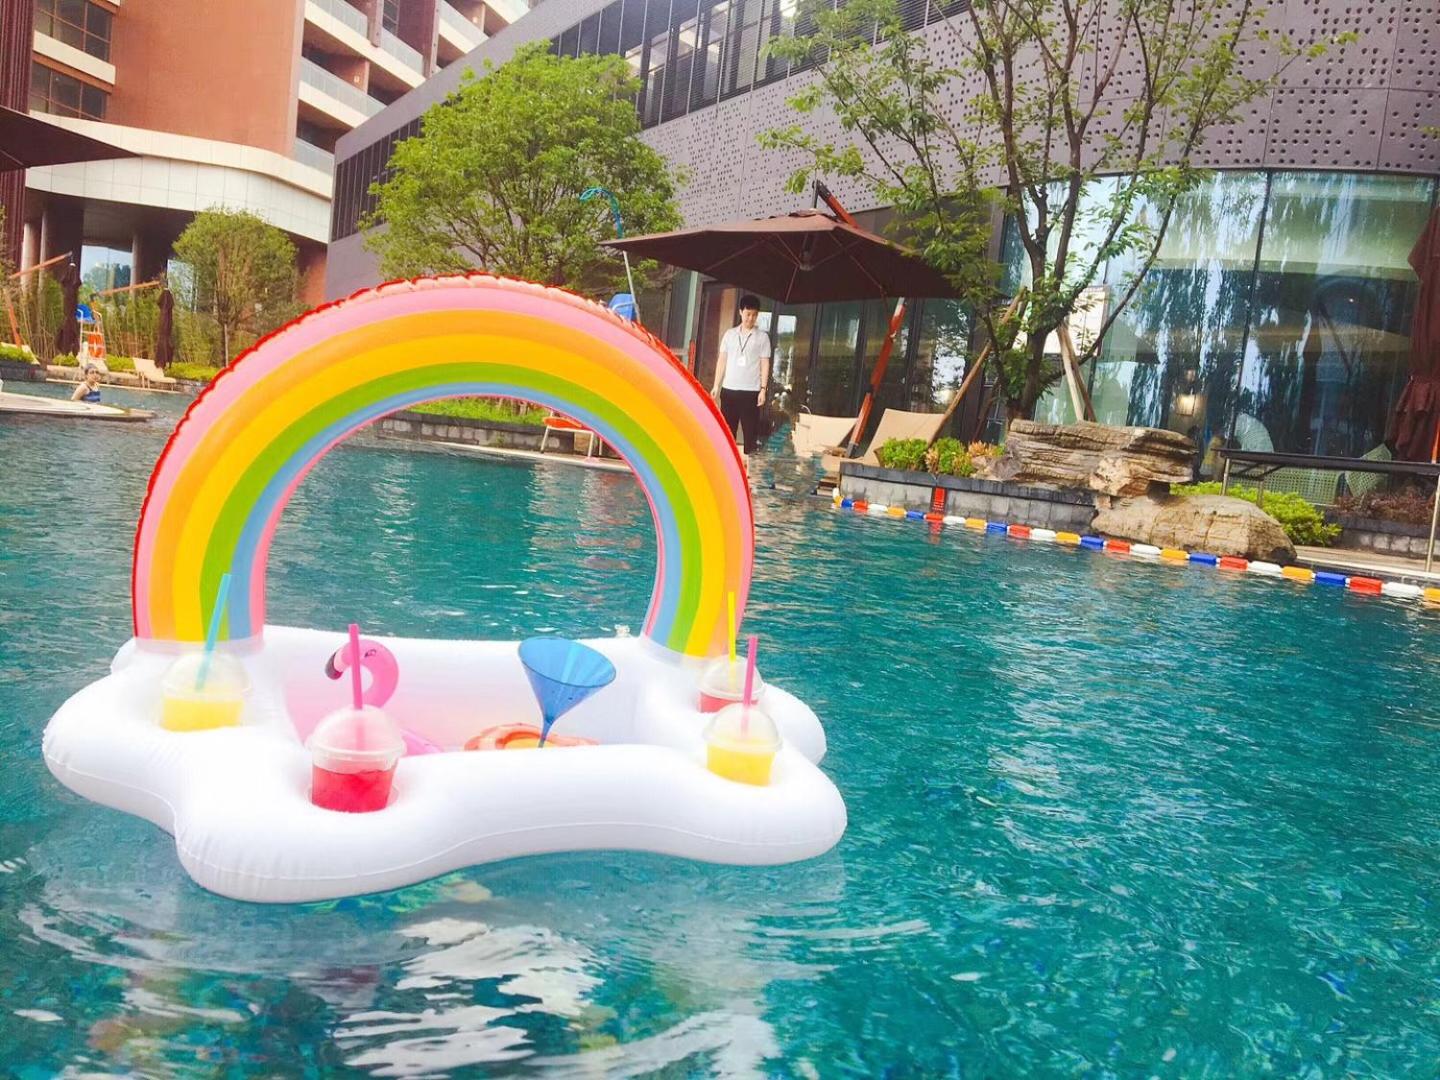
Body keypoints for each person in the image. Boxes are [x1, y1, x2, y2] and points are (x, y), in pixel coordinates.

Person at [711, 295, 771, 463]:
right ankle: (727, 467)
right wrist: (716, 385)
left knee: (750, 433)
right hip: (729, 390)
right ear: (740, 312)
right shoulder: (730, 335)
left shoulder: (762, 337)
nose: (750, 318)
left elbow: (765, 363)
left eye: (754, 315)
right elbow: (722, 360)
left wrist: (763, 389)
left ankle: (750, 470)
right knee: (727, 433)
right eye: (747, 314)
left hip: (750, 392)